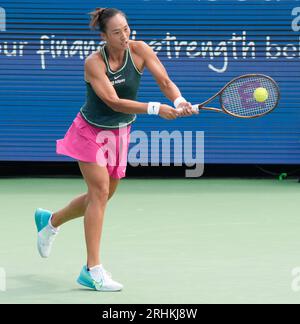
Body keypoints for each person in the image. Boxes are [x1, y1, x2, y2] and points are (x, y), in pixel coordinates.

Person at [34, 7, 197, 292]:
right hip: (90, 132)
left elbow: (165, 81)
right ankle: (92, 269)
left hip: (120, 134)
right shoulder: (94, 63)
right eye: (117, 32)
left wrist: (179, 99)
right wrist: (156, 108)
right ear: (104, 36)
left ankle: (51, 221)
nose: (124, 36)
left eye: (126, 29)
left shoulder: (140, 50)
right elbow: (114, 102)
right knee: (98, 192)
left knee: (106, 194)